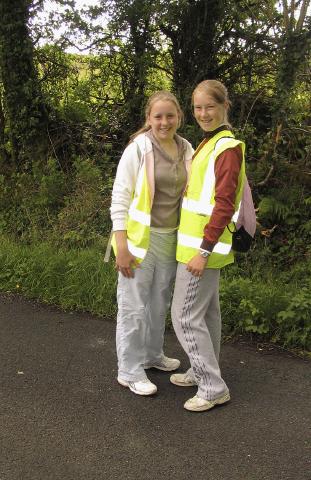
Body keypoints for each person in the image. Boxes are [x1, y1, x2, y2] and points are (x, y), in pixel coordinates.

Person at [110, 91, 193, 396]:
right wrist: (121, 245)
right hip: (138, 241)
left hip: (172, 238)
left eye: (170, 115)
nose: (164, 122)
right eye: (157, 116)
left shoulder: (187, 148)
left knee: (159, 303)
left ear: (179, 117)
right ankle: (129, 369)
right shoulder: (139, 149)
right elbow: (120, 197)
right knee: (133, 306)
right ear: (148, 119)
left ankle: (151, 355)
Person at [170, 79, 246, 412]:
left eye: (209, 107)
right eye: (198, 107)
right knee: (206, 315)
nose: (202, 113)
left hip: (202, 250)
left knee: (184, 317)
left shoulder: (225, 147)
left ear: (224, 107)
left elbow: (225, 204)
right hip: (199, 247)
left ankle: (212, 386)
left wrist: (203, 250)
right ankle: (201, 370)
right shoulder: (210, 142)